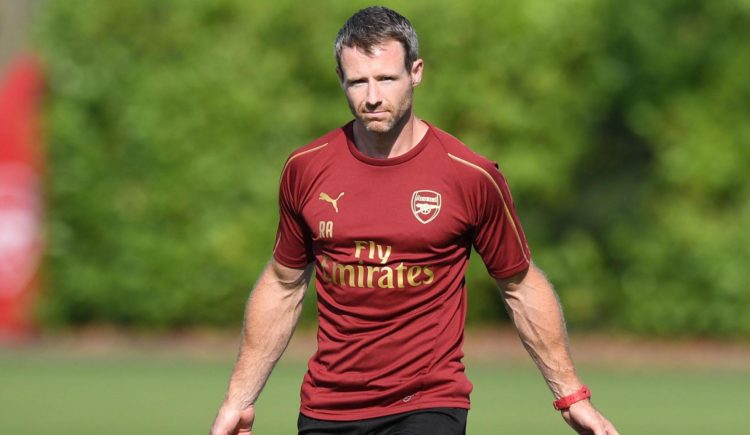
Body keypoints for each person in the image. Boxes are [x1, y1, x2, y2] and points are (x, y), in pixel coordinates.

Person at [210, 6, 619, 435]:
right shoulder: (306, 168)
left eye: (386, 78)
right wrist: (238, 399)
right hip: (327, 409)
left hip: (428, 406)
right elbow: (283, 285)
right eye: (358, 81)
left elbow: (519, 284)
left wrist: (571, 396)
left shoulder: (470, 175)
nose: (372, 96)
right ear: (340, 79)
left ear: (416, 72)